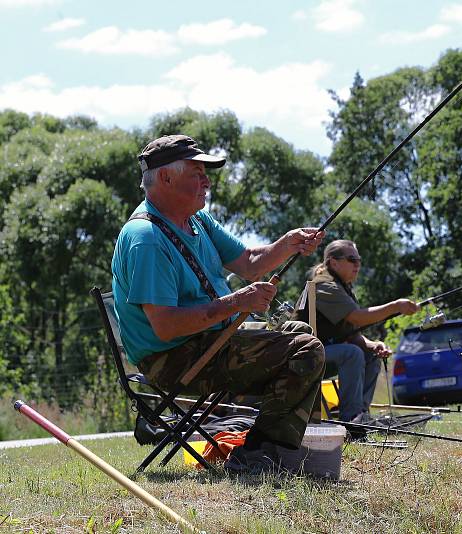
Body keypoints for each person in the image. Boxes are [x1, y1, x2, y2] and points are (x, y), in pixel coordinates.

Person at [112, 134, 326, 475]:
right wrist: (238, 301)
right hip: (175, 358)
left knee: (299, 331)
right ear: (166, 177)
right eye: (198, 173)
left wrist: (288, 244)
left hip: (209, 342)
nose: (207, 182)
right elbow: (166, 326)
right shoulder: (146, 239)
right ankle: (259, 456)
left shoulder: (196, 220)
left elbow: (250, 262)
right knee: (305, 350)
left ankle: (290, 448)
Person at [295, 240, 419, 423]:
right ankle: (350, 419)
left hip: (323, 353)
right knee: (352, 353)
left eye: (359, 260)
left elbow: (352, 333)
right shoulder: (325, 286)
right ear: (333, 262)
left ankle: (361, 416)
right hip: (302, 356)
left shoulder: (342, 287)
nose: (357, 264)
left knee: (371, 355)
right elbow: (357, 317)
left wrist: (374, 345)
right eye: (352, 259)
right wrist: (396, 306)